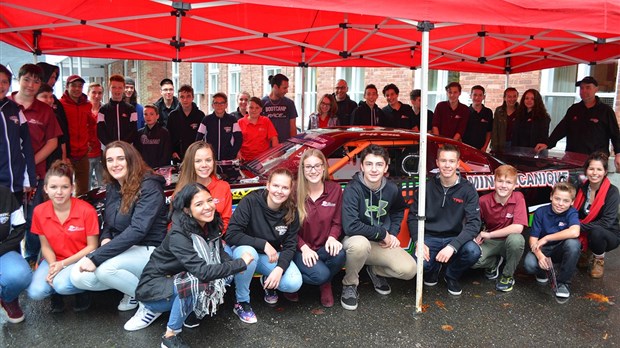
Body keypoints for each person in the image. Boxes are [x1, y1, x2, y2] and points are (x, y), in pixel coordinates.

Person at [135, 183, 253, 348]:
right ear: (187, 210)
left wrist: (234, 266)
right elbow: (203, 272)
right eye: (199, 204)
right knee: (197, 282)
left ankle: (190, 314)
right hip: (155, 291)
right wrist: (240, 264)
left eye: (209, 200)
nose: (208, 207)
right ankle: (170, 337)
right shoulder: (178, 234)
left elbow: (220, 255)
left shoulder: (209, 225)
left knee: (225, 274)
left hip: (178, 281)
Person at [70, 141, 168, 331]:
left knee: (104, 269)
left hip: (150, 248)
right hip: (124, 247)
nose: (115, 164)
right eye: (110, 160)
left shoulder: (149, 186)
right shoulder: (114, 186)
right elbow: (108, 222)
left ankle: (152, 303)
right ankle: (131, 289)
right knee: (78, 277)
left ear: (131, 160)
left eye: (120, 158)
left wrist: (98, 255)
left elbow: (138, 230)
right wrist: (105, 238)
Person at [340, 145, 416, 311]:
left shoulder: (391, 189)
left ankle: (375, 270)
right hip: (353, 241)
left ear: (386, 167)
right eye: (369, 164)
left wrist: (393, 233)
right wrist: (383, 233)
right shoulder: (353, 189)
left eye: (379, 164)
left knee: (409, 270)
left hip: (378, 243)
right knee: (360, 245)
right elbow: (350, 226)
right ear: (362, 166)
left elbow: (398, 210)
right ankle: (350, 284)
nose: (374, 169)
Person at [225, 168, 302, 323]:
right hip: (245, 252)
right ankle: (242, 301)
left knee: (293, 282)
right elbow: (231, 234)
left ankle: (267, 280)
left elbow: (290, 245)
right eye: (275, 186)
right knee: (249, 254)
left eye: (285, 187)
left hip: (269, 257)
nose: (279, 191)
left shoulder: (291, 211)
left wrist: (280, 269)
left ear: (290, 190)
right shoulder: (251, 201)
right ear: (268, 185)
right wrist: (263, 243)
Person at [408, 144, 481, 296]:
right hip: (429, 237)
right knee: (418, 265)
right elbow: (413, 217)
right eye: (443, 161)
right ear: (437, 162)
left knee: (473, 251)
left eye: (451, 161)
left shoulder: (468, 189)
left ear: (458, 163)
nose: (447, 165)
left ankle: (451, 275)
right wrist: (418, 241)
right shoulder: (425, 186)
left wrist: (453, 246)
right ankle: (433, 269)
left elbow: (474, 224)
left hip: (454, 237)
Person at [26, 161, 99, 312]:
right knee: (35, 292)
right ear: (45, 188)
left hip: (79, 259)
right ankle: (55, 293)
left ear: (72, 188)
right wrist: (54, 266)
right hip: (54, 259)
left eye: (64, 187)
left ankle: (82, 291)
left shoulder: (87, 210)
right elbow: (45, 245)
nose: (59, 192)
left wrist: (63, 264)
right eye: (53, 187)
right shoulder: (39, 211)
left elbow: (92, 246)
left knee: (62, 285)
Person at [10, 63, 63, 268]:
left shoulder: (45, 110)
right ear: (19, 80)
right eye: (27, 79)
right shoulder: (5, 105)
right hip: (8, 176)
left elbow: (52, 142)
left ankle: (30, 257)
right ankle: (11, 257)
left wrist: (28, 164)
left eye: (36, 81)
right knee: (10, 219)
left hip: (36, 174)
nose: (31, 85)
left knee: (34, 219)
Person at [294, 149, 345, 307]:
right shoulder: (294, 191)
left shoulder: (335, 190)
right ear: (302, 170)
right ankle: (294, 278)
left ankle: (325, 283)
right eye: (308, 167)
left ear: (324, 168)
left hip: (323, 248)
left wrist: (332, 238)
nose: (313, 170)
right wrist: (303, 248)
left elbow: (337, 222)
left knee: (340, 254)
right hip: (299, 249)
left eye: (317, 166)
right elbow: (288, 228)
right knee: (320, 274)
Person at [535, 76, 620, 171]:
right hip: (573, 158)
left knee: (594, 185)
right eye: (582, 88)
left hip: (597, 160)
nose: (584, 91)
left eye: (588, 87)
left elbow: (615, 134)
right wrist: (547, 143)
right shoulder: (574, 109)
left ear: (596, 89)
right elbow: (561, 129)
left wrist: (618, 153)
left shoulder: (606, 111)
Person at [471, 165, 526, 292]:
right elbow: (473, 223)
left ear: (514, 185)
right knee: (471, 259)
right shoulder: (483, 200)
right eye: (500, 181)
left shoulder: (518, 198)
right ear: (494, 181)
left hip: (508, 241)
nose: (503, 185)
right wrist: (475, 237)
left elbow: (518, 228)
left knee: (517, 239)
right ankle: (494, 262)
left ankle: (507, 275)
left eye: (508, 182)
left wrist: (489, 235)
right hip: (491, 242)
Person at [523, 182, 580, 299]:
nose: (560, 204)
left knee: (574, 244)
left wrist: (547, 237)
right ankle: (543, 271)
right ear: (551, 197)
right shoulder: (540, 211)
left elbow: (575, 232)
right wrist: (540, 256)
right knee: (529, 264)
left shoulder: (572, 212)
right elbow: (533, 239)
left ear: (572, 202)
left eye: (565, 201)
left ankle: (563, 283)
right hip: (543, 249)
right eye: (557, 199)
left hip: (560, 248)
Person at [572, 152, 620, 278]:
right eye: (591, 168)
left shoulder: (612, 192)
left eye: (599, 169)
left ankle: (599, 259)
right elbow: (572, 211)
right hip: (585, 228)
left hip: (608, 233)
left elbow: (606, 222)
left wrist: (577, 227)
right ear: (586, 170)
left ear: (605, 172)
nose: (594, 173)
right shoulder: (581, 188)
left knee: (597, 232)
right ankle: (586, 251)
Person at [174, 141, 233, 233]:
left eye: (208, 160)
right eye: (198, 161)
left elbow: (226, 220)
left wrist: (214, 238)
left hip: (217, 240)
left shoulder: (223, 187)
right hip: (189, 242)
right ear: (190, 163)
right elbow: (174, 225)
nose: (204, 165)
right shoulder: (182, 189)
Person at [0, 64, 36, 202]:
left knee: (18, 223)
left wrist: (29, 178)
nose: (1, 86)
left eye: (4, 82)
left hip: (16, 185)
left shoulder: (15, 110)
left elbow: (26, 144)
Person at [0, 185, 31, 324]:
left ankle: (8, 298)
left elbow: (20, 227)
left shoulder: (5, 193)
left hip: (2, 249)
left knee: (21, 275)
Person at [60, 74, 95, 196]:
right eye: (73, 85)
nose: (77, 89)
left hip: (83, 154)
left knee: (83, 189)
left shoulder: (87, 105)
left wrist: (89, 141)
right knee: (64, 187)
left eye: (80, 86)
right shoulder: (61, 105)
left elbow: (91, 125)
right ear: (67, 86)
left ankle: (81, 213)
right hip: (67, 154)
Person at [37, 62, 69, 168]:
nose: (53, 81)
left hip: (55, 160)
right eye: (51, 77)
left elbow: (62, 137)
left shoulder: (56, 106)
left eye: (55, 78)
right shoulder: (26, 111)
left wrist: (64, 157)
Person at [195, 92, 242, 161]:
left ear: (226, 105)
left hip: (228, 160)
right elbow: (198, 139)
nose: (219, 105)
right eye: (216, 103)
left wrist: (232, 153)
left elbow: (238, 139)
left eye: (222, 103)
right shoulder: (206, 120)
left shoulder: (232, 120)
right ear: (212, 105)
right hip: (210, 159)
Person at [97, 74, 138, 146]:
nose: (117, 90)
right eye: (114, 87)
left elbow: (133, 130)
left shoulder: (131, 110)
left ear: (123, 88)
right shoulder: (102, 110)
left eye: (120, 87)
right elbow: (101, 131)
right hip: (109, 148)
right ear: (109, 88)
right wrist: (111, 146)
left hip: (126, 148)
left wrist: (123, 145)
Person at [167, 85, 205, 163]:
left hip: (196, 155)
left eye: (188, 96)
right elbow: (168, 136)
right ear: (178, 98)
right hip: (178, 156)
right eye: (182, 97)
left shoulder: (200, 115)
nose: (185, 100)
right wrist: (172, 151)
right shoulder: (172, 116)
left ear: (193, 97)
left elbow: (204, 137)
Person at [238, 97, 279, 162]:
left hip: (263, 160)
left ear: (261, 109)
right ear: (246, 108)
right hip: (245, 160)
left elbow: (274, 139)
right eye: (251, 107)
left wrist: (275, 155)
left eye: (257, 108)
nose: (254, 110)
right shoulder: (240, 122)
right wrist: (238, 153)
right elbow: (235, 141)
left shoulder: (266, 121)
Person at [261, 74, 298, 143]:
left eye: (287, 88)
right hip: (266, 146)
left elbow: (293, 127)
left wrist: (294, 145)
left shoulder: (289, 103)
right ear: (275, 87)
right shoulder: (262, 103)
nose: (286, 91)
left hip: (285, 146)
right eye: (284, 88)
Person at [135, 104, 172, 169]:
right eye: (145, 114)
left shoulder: (164, 133)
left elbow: (166, 155)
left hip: (160, 170)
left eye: (151, 114)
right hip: (143, 170)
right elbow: (136, 154)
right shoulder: (139, 133)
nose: (148, 117)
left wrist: (158, 169)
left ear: (157, 116)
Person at [462, 85, 493, 151]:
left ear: (484, 97)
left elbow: (489, 132)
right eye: (475, 95)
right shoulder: (465, 111)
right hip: (466, 148)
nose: (477, 98)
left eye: (480, 95)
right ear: (470, 96)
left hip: (481, 149)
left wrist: (485, 147)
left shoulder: (488, 112)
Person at [87, 83, 104, 189]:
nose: (97, 96)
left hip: (101, 154)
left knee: (104, 186)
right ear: (88, 93)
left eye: (100, 93)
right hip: (86, 155)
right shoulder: (83, 110)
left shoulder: (106, 110)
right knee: (85, 187)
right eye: (94, 92)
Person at [490, 87, 519, 152]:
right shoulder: (499, 111)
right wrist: (494, 146)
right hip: (501, 144)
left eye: (514, 96)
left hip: (516, 145)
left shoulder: (521, 111)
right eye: (509, 96)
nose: (512, 99)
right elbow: (495, 130)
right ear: (504, 98)